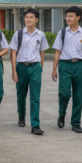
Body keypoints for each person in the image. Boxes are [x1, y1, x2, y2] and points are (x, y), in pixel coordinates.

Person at [52, 6, 82, 134]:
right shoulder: (62, 33)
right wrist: (54, 69)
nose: (68, 18)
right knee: (64, 93)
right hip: (65, 65)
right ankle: (62, 114)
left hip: (79, 65)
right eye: (67, 16)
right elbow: (57, 52)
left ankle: (76, 123)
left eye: (71, 16)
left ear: (78, 17)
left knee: (78, 95)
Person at [9, 8, 49, 136]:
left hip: (35, 67)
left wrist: (40, 67)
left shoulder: (41, 35)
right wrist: (14, 70)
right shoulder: (19, 34)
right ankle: (21, 116)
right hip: (21, 67)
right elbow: (13, 52)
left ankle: (35, 125)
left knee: (35, 97)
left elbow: (42, 52)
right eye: (26, 17)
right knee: (21, 95)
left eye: (31, 17)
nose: (28, 19)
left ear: (36, 19)